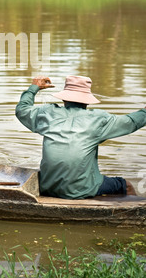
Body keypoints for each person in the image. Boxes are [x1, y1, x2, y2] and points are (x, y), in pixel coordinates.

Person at [16, 75, 146, 199]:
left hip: (48, 186)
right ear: (87, 100)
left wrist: (34, 87)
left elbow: (22, 110)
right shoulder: (98, 120)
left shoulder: (47, 113)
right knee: (126, 186)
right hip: (81, 189)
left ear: (64, 98)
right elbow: (132, 122)